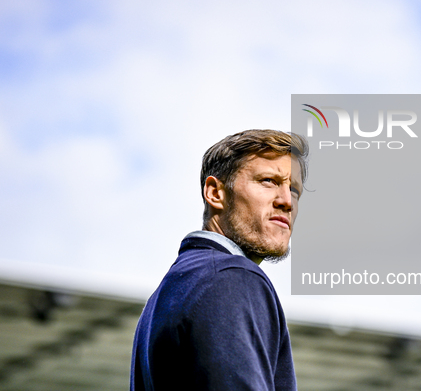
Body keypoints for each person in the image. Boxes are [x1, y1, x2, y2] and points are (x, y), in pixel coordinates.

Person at [130, 129, 308, 390]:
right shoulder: (231, 277)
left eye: (293, 189)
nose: (286, 202)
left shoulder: (172, 291)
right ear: (215, 193)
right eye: (269, 181)